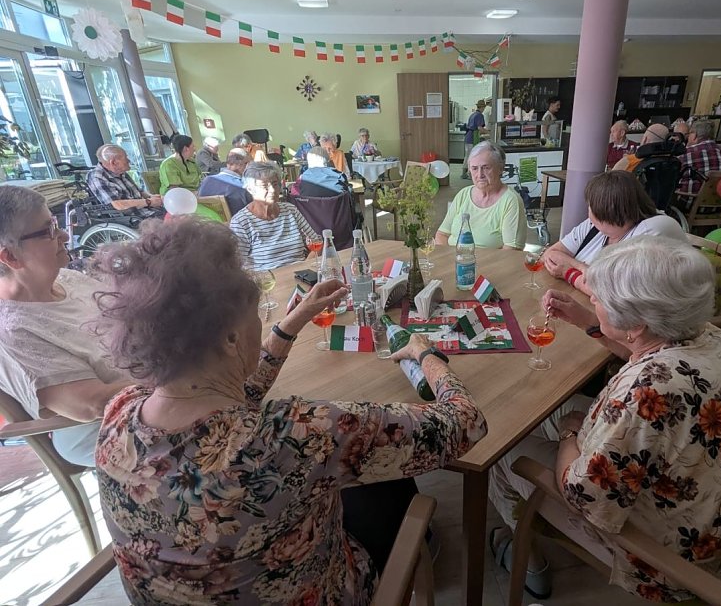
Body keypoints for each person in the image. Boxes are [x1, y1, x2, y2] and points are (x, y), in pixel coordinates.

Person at [93, 216, 488, 604]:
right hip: (323, 593)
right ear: (231, 338)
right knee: (385, 481)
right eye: (258, 316)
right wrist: (425, 355)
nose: (262, 324)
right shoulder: (292, 435)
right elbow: (465, 423)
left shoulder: (119, 413)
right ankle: (420, 552)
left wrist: (290, 324)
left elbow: (230, 399)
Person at [489, 236, 721, 601]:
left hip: (665, 556)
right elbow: (643, 351)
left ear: (635, 325)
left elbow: (580, 495)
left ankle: (528, 560)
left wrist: (569, 434)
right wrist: (587, 321)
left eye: (597, 299)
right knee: (557, 408)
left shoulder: (646, 394)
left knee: (501, 446)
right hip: (712, 504)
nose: (591, 299)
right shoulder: (712, 338)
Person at [0, 185, 131, 466]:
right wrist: (184, 375)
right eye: (48, 230)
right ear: (10, 257)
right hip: (106, 428)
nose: (63, 235)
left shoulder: (68, 280)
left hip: (158, 391)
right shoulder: (14, 330)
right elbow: (90, 404)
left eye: (56, 223)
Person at [542, 171, 687, 293]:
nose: (589, 212)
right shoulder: (593, 226)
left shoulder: (655, 228)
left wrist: (569, 273)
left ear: (609, 212)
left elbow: (616, 294)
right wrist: (582, 267)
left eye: (591, 206)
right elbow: (551, 254)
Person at [229, 161, 321, 270]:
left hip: (301, 274)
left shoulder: (290, 210)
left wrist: (305, 267)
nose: (272, 190)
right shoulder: (241, 222)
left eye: (275, 184)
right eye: (264, 186)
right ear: (250, 189)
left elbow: (317, 242)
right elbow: (235, 266)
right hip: (267, 279)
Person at [436, 141, 526, 250]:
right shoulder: (463, 194)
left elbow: (511, 250)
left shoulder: (510, 201)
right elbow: (442, 234)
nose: (480, 175)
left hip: (489, 261)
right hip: (454, 258)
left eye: (486, 168)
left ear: (501, 168)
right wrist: (449, 258)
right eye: (474, 168)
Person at [86, 144, 164, 218]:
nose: (128, 161)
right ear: (114, 162)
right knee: (169, 221)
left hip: (150, 211)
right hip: (135, 218)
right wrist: (148, 202)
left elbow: (139, 192)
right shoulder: (97, 176)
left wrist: (153, 197)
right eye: (126, 158)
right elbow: (117, 205)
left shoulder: (120, 172)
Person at [676, 120, 721, 196]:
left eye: (689, 133)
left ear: (694, 135)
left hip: (687, 199)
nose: (688, 137)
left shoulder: (685, 153)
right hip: (715, 200)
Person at [198, 147, 252, 217]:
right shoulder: (243, 187)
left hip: (208, 222)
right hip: (234, 223)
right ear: (247, 165)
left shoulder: (206, 181)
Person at [461, 99, 489, 178]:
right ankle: (469, 173)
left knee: (468, 155)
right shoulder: (480, 115)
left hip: (468, 136)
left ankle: (464, 173)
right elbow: (480, 128)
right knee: (472, 156)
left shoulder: (472, 114)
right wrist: (489, 133)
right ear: (482, 107)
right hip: (472, 137)